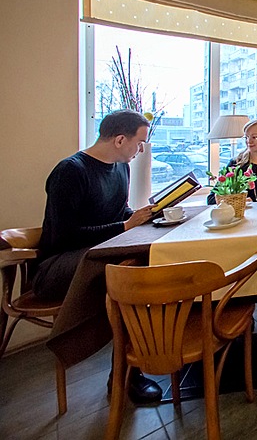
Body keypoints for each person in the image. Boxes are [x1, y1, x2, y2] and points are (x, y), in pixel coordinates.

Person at [33, 109, 162, 404]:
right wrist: (125, 226)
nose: (141, 149)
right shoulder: (70, 171)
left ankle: (138, 360)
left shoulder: (121, 169)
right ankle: (129, 373)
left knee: (147, 258)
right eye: (139, 142)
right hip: (56, 266)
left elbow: (119, 214)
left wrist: (146, 217)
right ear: (119, 140)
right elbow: (65, 235)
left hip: (96, 256)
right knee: (127, 273)